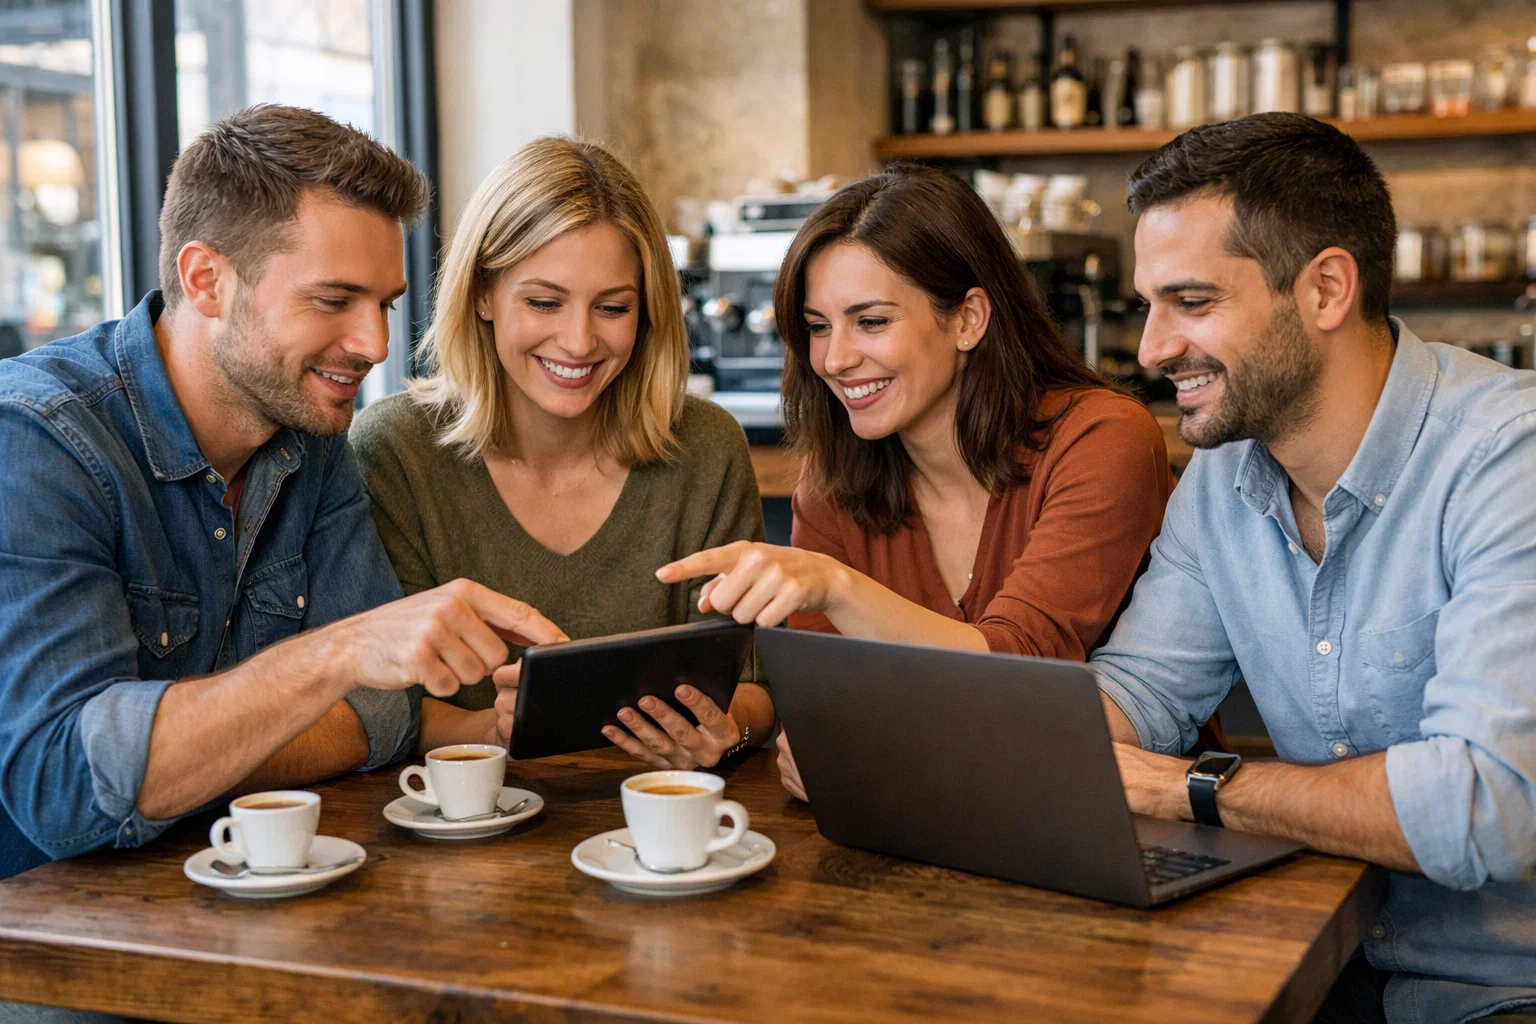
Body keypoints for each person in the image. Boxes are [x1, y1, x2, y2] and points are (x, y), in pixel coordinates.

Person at [0, 105, 565, 885]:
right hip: (48, 930)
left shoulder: (309, 430)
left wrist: (187, 758)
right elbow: (65, 787)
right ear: (207, 280)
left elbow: (387, 714)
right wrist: (336, 654)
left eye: (385, 304)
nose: (375, 344)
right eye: (334, 300)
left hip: (247, 897)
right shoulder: (36, 441)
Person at [1088, 113, 1536, 1022]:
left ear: (1326, 288)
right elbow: (1138, 694)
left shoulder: (1508, 458)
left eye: (1192, 302)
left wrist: (1188, 787)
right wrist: (940, 757)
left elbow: (1483, 807)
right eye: (1148, 305)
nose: (1151, 349)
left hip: (1501, 990)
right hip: (1323, 962)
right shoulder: (1221, 478)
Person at [655, 164, 1176, 800]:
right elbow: (830, 711)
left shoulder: (1101, 440)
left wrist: (838, 589)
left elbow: (1021, 672)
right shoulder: (834, 480)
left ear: (969, 319)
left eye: (871, 321)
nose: (835, 359)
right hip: (922, 821)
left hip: (1128, 818)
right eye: (818, 326)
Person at [351, 137, 772, 771]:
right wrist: (498, 733)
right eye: (544, 302)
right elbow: (385, 708)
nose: (578, 342)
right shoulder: (395, 449)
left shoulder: (705, 447)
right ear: (483, 293)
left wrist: (724, 730)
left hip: (662, 815)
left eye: (613, 308)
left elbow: (756, 687)